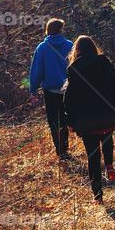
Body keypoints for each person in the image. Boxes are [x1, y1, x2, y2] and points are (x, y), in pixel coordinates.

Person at [63, 36, 115, 203]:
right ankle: (109, 165)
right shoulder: (105, 64)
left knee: (92, 156)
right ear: (94, 48)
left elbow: (68, 99)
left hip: (86, 122)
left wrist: (70, 122)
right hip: (108, 117)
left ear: (76, 51)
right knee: (107, 135)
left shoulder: (74, 69)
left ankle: (98, 196)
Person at [28, 18, 74, 158]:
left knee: (54, 120)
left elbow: (37, 70)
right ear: (61, 29)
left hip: (51, 91)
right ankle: (65, 147)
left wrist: (33, 89)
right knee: (66, 119)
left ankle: (61, 151)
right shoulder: (70, 45)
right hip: (69, 90)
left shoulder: (42, 48)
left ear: (48, 30)